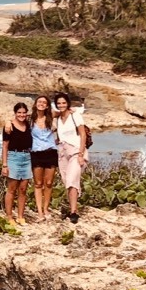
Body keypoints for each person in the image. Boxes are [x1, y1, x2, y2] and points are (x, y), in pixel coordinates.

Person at [54, 92, 88, 224]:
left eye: (64, 103)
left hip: (75, 151)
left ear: (68, 103)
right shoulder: (57, 117)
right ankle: (73, 208)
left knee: (71, 179)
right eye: (59, 103)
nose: (61, 105)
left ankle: (74, 212)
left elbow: (83, 135)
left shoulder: (75, 115)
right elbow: (41, 113)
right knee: (67, 182)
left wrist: (81, 154)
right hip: (62, 152)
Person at [1, 102, 33, 225]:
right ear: (15, 113)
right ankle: (9, 217)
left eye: (24, 112)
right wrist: (4, 165)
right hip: (13, 157)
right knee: (12, 189)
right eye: (19, 112)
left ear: (27, 113)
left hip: (27, 158)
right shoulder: (9, 126)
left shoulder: (29, 125)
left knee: (23, 189)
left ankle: (20, 216)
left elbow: (44, 115)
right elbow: (5, 146)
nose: (21, 115)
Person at [29, 95, 58, 222]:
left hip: (50, 152)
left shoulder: (51, 117)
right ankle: (39, 211)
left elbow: (64, 111)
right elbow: (15, 119)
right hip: (36, 153)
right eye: (39, 102)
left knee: (49, 183)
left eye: (44, 102)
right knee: (38, 183)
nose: (41, 104)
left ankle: (46, 208)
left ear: (47, 105)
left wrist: (72, 109)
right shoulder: (30, 119)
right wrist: (8, 123)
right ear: (35, 104)